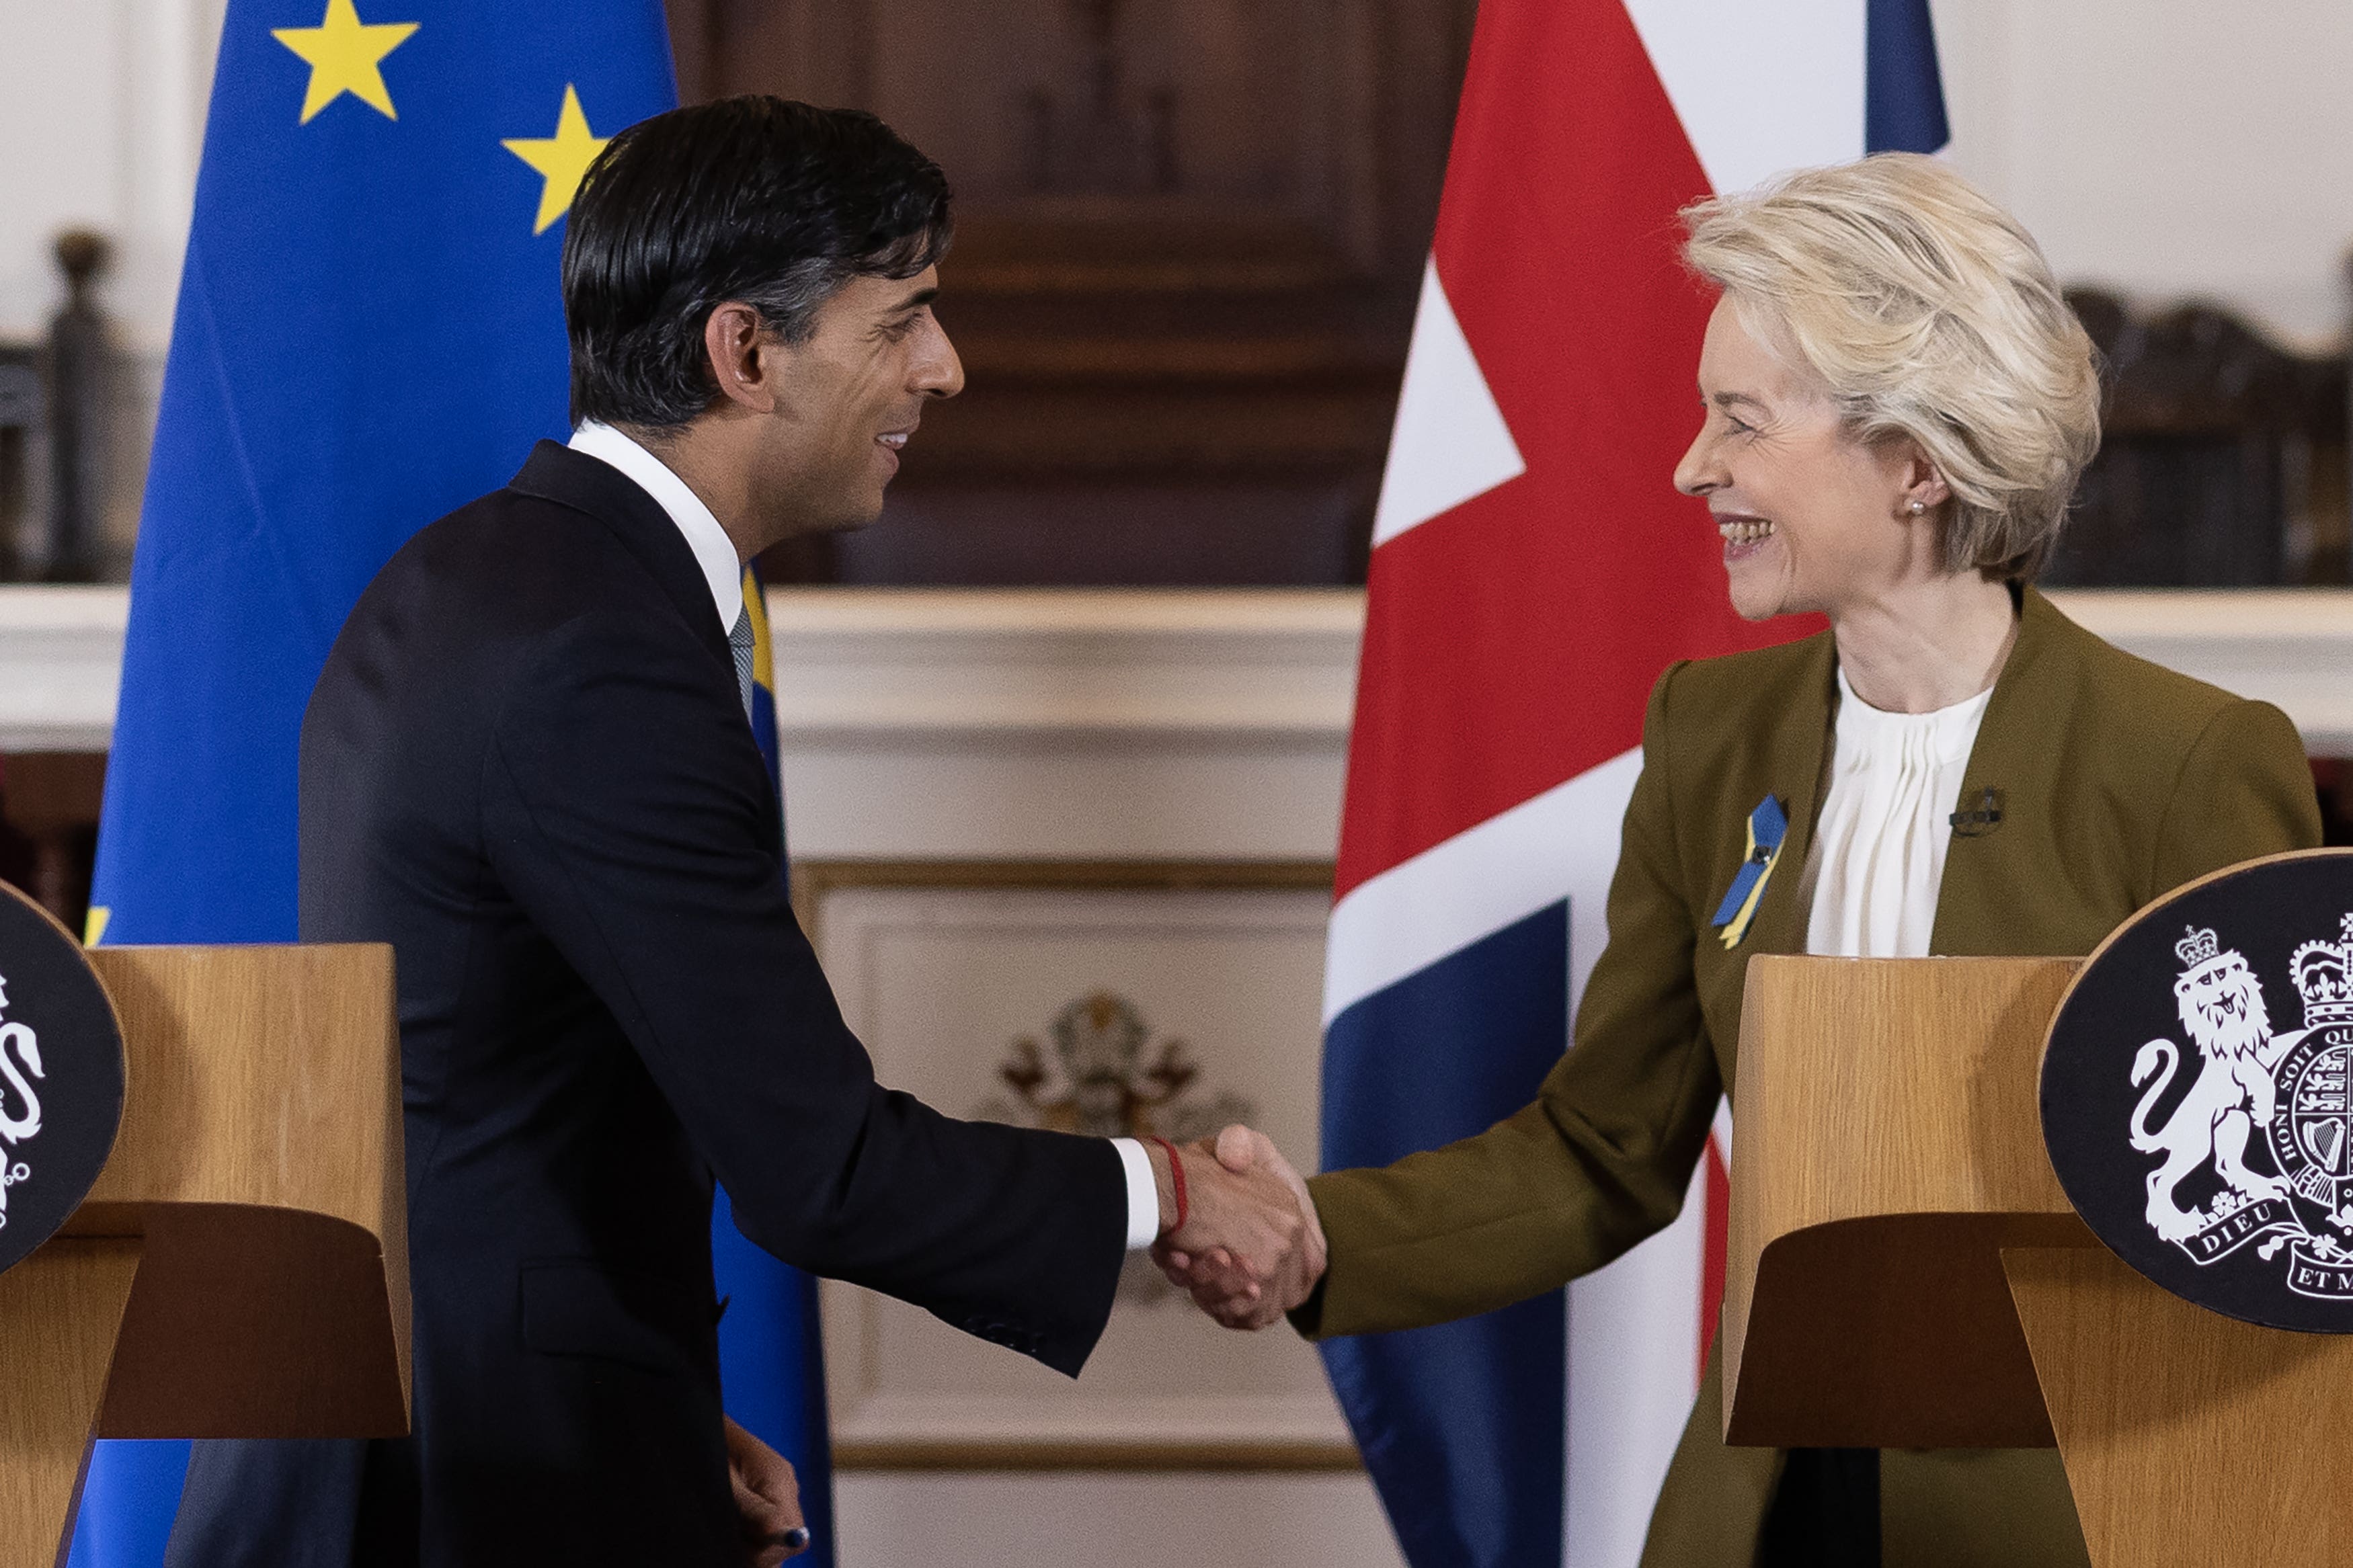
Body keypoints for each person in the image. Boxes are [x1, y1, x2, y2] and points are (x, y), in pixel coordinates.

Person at [165, 97, 1320, 1568]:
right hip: (471, 1493)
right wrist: (1164, 1188)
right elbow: (821, 1168)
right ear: (746, 351)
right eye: (902, 318)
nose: (945, 368)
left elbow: (477, 1098)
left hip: (431, 1430)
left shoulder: (478, 575)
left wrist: (637, 1406)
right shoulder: (599, 650)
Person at [1162, 153, 2323, 1567]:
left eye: (1740, 422)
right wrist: (1313, 1235)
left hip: (2077, 1520)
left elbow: (2285, 1214)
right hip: (1766, 1512)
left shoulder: (2188, 762)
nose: (1691, 466)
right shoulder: (1710, 736)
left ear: (1914, 462)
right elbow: (1603, 1151)